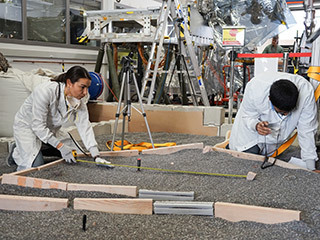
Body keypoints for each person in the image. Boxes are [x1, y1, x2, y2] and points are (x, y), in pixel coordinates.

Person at [6, 66, 111, 171]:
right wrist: (60, 146)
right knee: (35, 165)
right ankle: (17, 150)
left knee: (75, 153)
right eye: (82, 87)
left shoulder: (78, 101)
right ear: (69, 83)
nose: (85, 92)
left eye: (87, 88)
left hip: (50, 129)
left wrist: (96, 155)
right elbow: (38, 127)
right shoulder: (45, 91)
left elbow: (85, 126)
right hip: (28, 128)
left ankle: (38, 147)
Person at [229, 71, 318, 170]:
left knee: (272, 159)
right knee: (247, 161)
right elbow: (247, 116)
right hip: (250, 137)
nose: (286, 115)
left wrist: (311, 168)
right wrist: (256, 125)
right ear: (269, 99)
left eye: (289, 112)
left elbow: (307, 130)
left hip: (275, 144)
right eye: (281, 112)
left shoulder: (306, 93)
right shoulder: (256, 89)